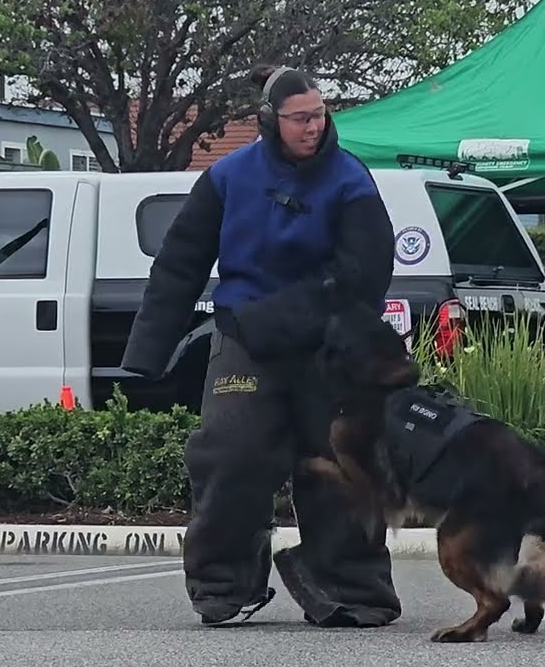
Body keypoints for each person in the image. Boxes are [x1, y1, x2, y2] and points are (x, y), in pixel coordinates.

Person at [120, 64, 402, 628]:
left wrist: (285, 317)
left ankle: (352, 588)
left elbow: (365, 275)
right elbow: (179, 265)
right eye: (301, 118)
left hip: (329, 345)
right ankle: (224, 585)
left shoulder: (351, 181)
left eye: (320, 115)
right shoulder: (228, 177)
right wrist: (144, 356)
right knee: (231, 452)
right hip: (245, 340)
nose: (313, 127)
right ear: (270, 121)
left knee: (339, 462)